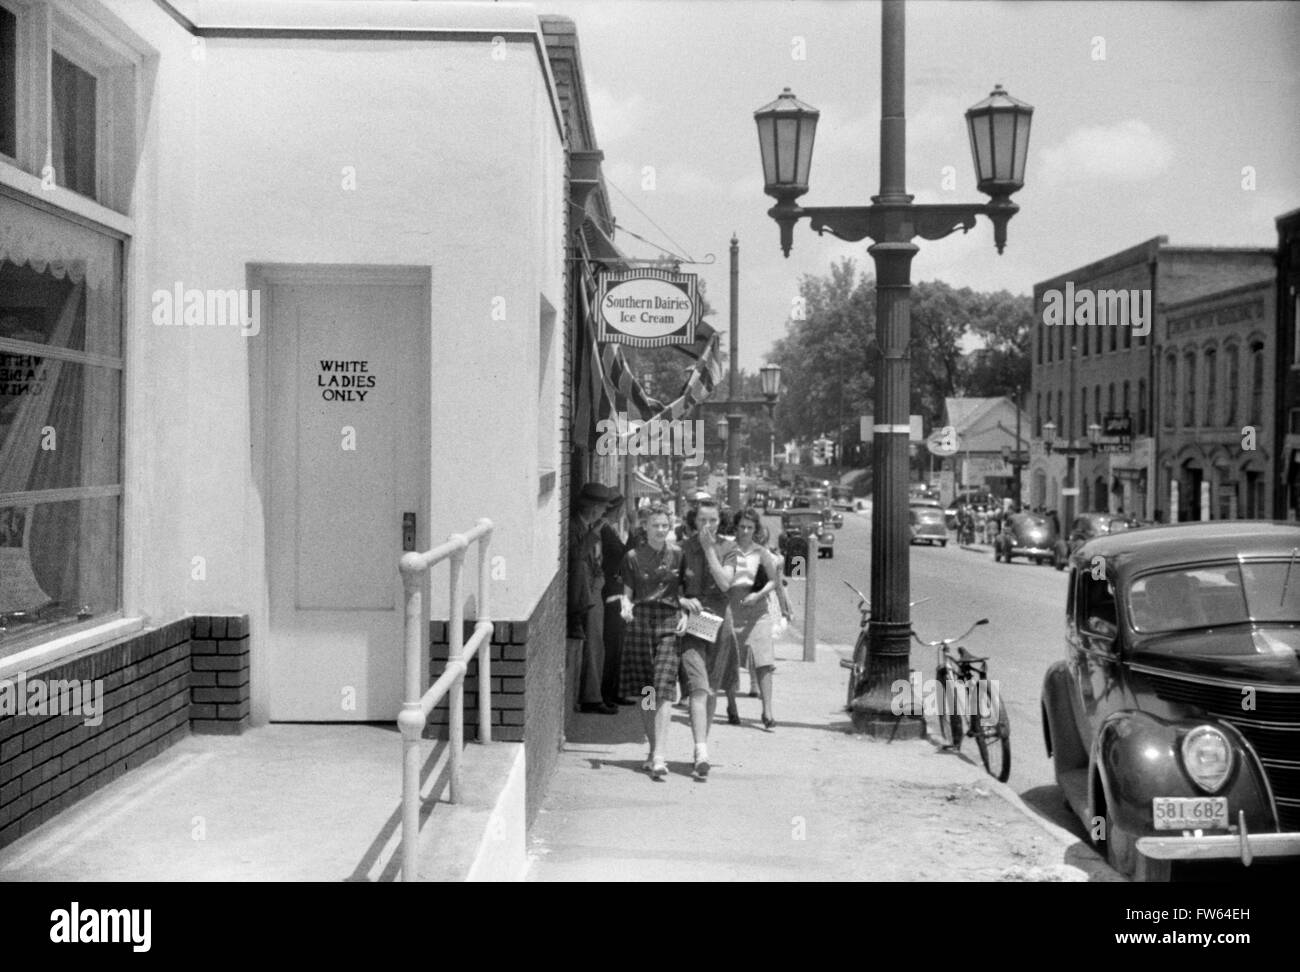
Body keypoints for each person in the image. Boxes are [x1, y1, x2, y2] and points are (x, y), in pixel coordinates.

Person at [618, 504, 687, 780]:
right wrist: (625, 605)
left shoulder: (678, 556)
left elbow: (683, 591)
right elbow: (627, 592)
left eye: (665, 526)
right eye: (655, 525)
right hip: (641, 621)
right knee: (647, 689)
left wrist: (684, 613)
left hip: (668, 621)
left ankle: (660, 755)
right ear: (645, 527)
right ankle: (653, 748)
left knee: (665, 687)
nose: (660, 530)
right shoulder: (632, 557)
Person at [677, 498, 742, 767]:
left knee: (712, 689)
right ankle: (700, 750)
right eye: (702, 520)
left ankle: (702, 744)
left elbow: (725, 582)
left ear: (720, 521)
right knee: (698, 686)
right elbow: (671, 586)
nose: (707, 525)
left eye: (713, 520)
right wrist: (681, 602)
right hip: (694, 620)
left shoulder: (728, 547)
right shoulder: (681, 549)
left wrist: (709, 550)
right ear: (694, 520)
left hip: (718, 620)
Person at [727, 508, 782, 729]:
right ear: (736, 527)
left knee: (764, 661)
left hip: (758, 612)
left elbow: (773, 581)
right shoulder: (728, 550)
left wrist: (758, 594)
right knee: (729, 660)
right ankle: (731, 705)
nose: (746, 531)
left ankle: (767, 711)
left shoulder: (761, 552)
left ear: (755, 529)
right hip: (732, 610)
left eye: (750, 527)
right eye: (742, 527)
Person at [568, 482, 617, 715]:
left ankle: (595, 694)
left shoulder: (589, 525)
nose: (604, 512)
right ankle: (591, 697)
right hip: (586, 594)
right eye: (602, 507)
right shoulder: (577, 527)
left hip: (594, 589)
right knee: (593, 645)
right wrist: (594, 533)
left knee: (598, 645)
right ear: (593, 508)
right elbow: (577, 556)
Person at [599, 492, 635, 707]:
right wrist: (633, 528)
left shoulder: (608, 529)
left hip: (618, 591)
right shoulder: (605, 529)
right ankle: (608, 693)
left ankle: (615, 691)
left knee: (619, 645)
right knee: (613, 645)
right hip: (612, 593)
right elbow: (626, 558)